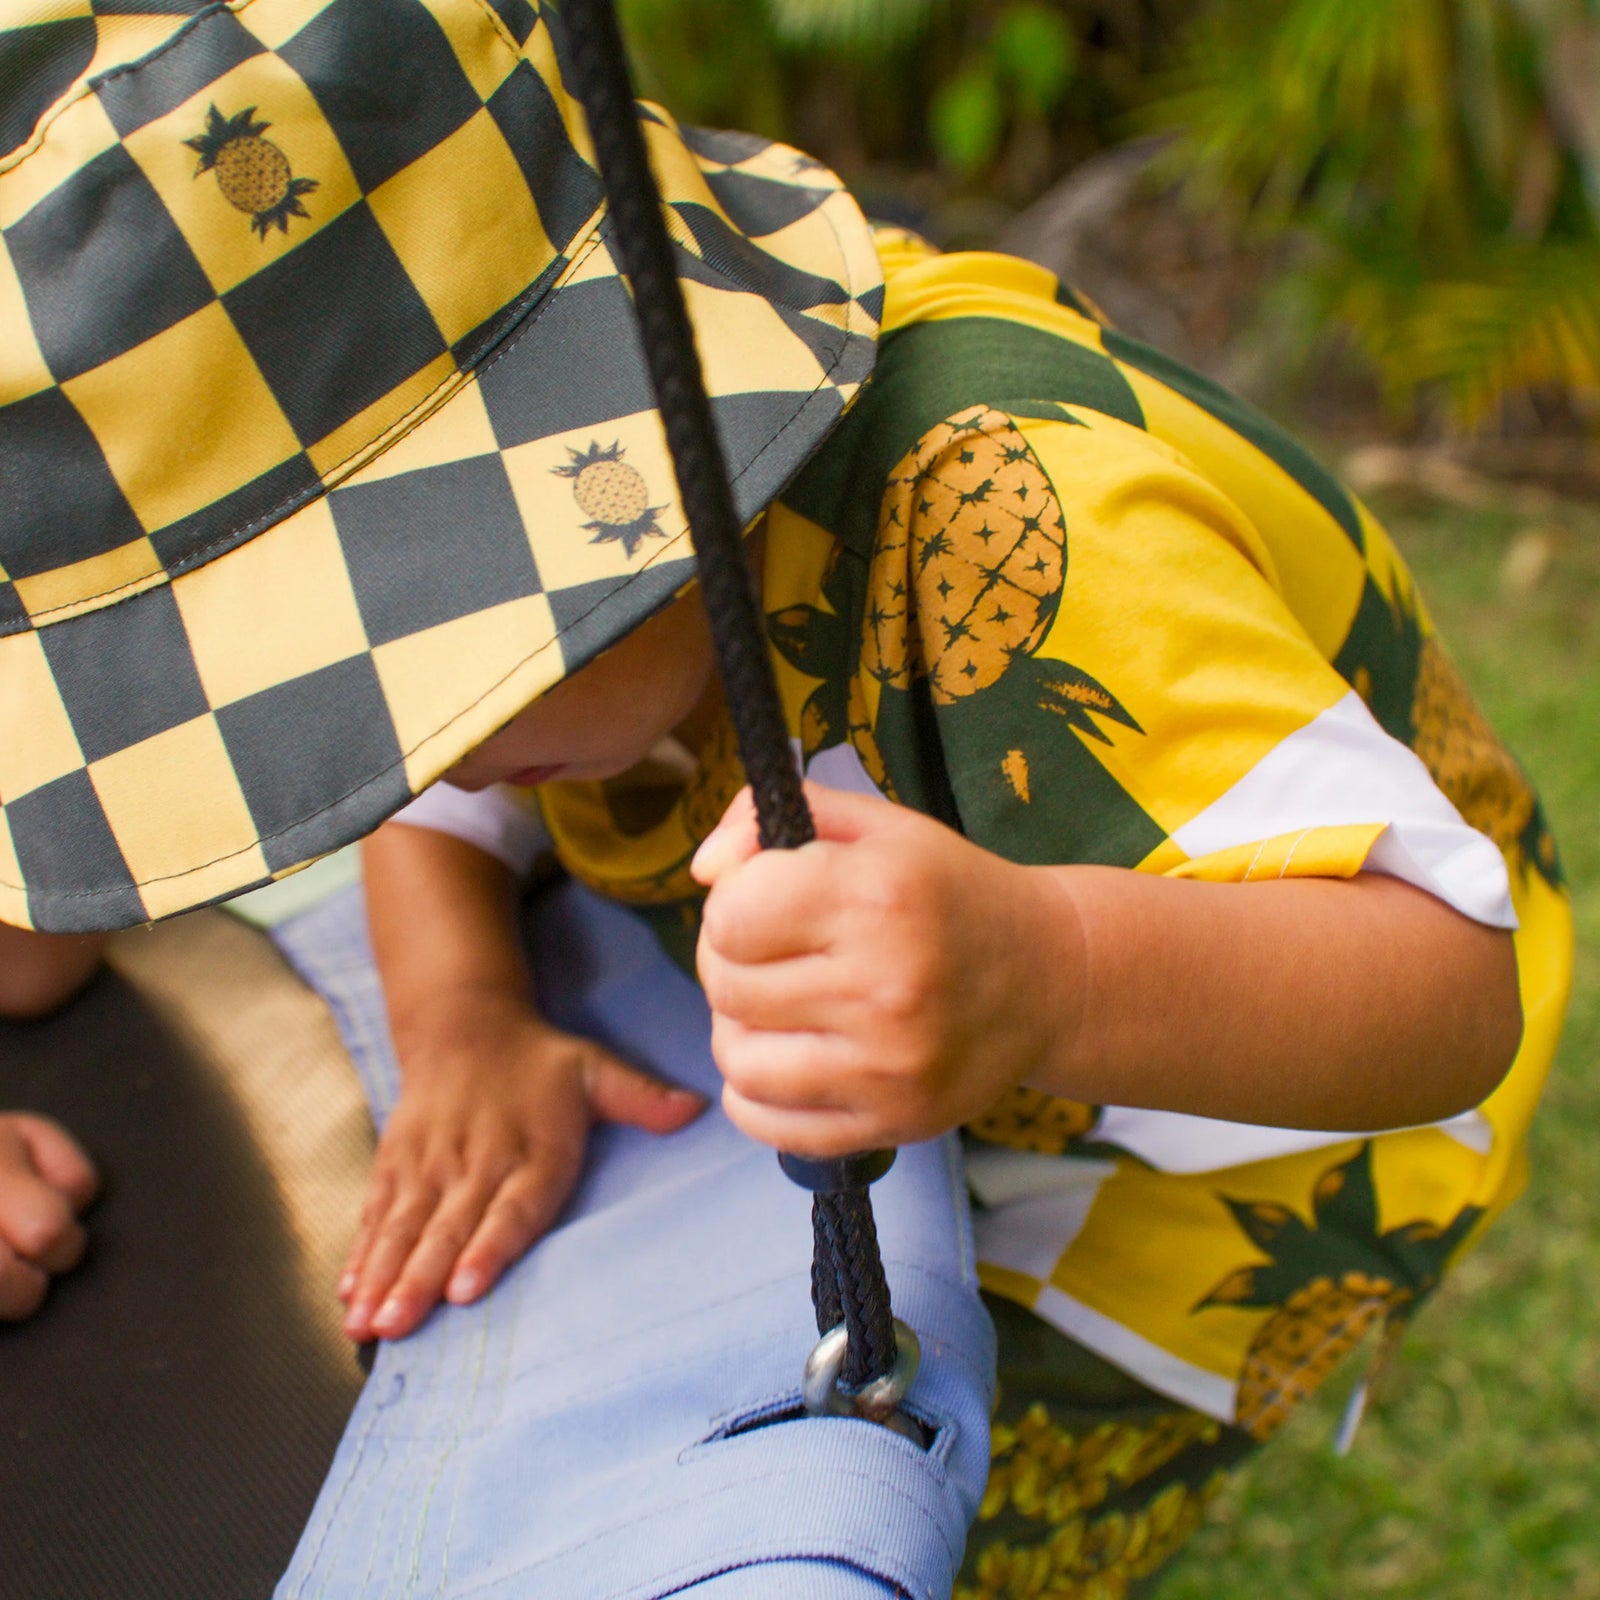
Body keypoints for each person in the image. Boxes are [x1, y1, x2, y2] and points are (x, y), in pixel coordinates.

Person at [0, 1, 1569, 1594]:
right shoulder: (589, 619)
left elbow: (1450, 987)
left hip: (1204, 1142)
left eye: (410, 683)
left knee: (939, 1508)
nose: (400, 769)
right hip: (958, 1054)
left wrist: (1048, 973)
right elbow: (415, 803)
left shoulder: (1015, 513)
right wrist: (461, 1014)